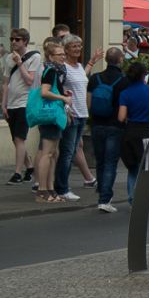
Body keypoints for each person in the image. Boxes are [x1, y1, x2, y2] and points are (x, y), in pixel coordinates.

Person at [55, 35, 101, 201]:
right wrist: (64, 106)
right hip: (71, 115)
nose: (77, 49)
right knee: (67, 153)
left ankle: (61, 186)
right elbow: (57, 88)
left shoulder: (79, 66)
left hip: (82, 115)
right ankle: (62, 188)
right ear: (66, 50)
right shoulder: (63, 68)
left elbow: (82, 78)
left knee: (72, 151)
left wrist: (92, 62)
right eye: (74, 46)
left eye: (79, 46)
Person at [85, 47, 129, 213]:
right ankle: (105, 199)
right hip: (115, 126)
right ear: (120, 60)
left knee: (100, 161)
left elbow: (88, 104)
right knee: (111, 162)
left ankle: (101, 192)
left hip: (97, 124)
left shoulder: (95, 78)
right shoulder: (124, 81)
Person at [30, 40, 71, 203]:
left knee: (54, 153)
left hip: (54, 115)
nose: (63, 57)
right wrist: (62, 97)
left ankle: (51, 189)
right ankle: (42, 191)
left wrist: (62, 94)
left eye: (63, 54)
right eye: (60, 55)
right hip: (49, 116)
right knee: (47, 153)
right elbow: (45, 92)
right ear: (51, 56)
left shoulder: (55, 71)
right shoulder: (51, 71)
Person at [0, 29, 40, 185]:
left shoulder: (34, 57)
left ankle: (17, 173)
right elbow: (5, 82)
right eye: (11, 39)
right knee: (15, 140)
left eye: (17, 39)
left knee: (19, 138)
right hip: (11, 103)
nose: (13, 42)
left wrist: (19, 63)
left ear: (25, 41)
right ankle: (30, 168)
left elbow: (30, 80)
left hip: (25, 102)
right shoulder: (9, 58)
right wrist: (3, 104)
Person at [117, 59, 149, 206]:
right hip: (146, 131)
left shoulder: (125, 93)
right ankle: (143, 197)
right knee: (145, 167)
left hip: (130, 131)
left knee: (133, 168)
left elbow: (121, 117)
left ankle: (131, 197)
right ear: (143, 75)